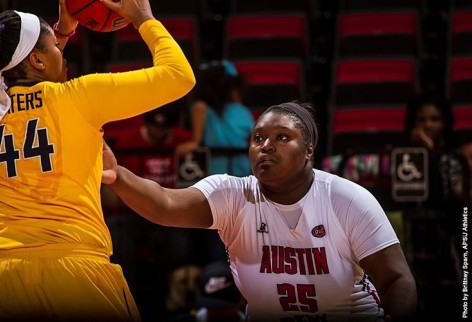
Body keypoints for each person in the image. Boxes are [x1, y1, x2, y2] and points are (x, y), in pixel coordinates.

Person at [102, 101, 417, 322]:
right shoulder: (233, 195)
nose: (266, 145)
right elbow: (164, 204)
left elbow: (397, 278)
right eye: (258, 138)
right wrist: (117, 174)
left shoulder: (345, 198)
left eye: (282, 137)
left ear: (309, 149)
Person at [0, 0, 195, 321]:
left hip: (1, 278)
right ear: (37, 59)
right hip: (74, 271)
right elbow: (178, 76)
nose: (63, 52)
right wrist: (145, 19)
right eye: (55, 47)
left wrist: (61, 33)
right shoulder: (79, 97)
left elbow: (31, 79)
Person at [403, 93, 463, 320]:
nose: (428, 125)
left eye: (435, 119)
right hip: (412, 229)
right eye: (421, 120)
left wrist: (431, 154)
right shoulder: (402, 156)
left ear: (445, 123)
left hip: (449, 229)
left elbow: (450, 197)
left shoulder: (455, 157)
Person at [176, 60, 254, 177]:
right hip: (216, 174)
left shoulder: (241, 110)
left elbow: (253, 137)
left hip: (240, 172)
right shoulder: (202, 109)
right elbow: (196, 141)